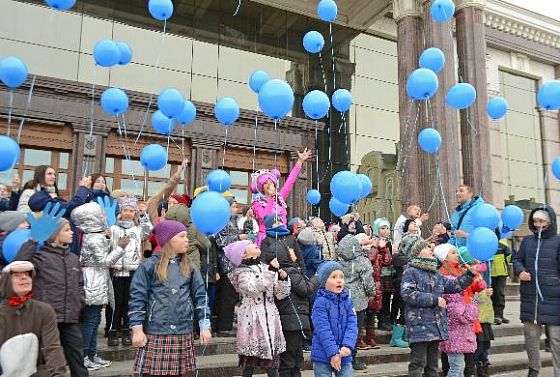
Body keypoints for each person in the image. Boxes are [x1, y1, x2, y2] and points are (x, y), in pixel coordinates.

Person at [129, 220, 212, 377]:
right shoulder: (148, 266)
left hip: (183, 330)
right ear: (168, 240)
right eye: (182, 236)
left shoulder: (190, 266)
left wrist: (204, 325)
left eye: (186, 236)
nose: (187, 239)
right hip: (157, 330)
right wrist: (137, 329)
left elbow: (201, 297)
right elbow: (137, 298)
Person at [16, 218, 88, 377]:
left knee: (78, 362)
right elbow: (19, 264)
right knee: (44, 362)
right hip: (46, 320)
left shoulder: (73, 258)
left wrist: (79, 303)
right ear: (55, 234)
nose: (71, 233)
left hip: (70, 319)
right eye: (66, 230)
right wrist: (34, 240)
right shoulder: (39, 257)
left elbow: (80, 285)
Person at [401, 239, 479, 377]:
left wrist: (470, 274)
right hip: (419, 326)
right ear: (416, 253)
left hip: (435, 327)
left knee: (432, 366)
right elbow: (408, 294)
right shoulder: (411, 271)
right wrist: (435, 300)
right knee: (418, 364)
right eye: (426, 247)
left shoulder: (436, 273)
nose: (431, 249)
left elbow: (455, 285)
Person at [71, 202, 130, 370]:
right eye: (101, 214)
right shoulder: (94, 237)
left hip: (97, 279)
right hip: (93, 280)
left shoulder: (95, 234)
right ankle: (84, 356)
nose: (104, 216)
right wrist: (120, 248)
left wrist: (107, 238)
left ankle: (91, 354)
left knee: (95, 319)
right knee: (91, 321)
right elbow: (104, 262)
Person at [225, 240, 291, 377]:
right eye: (249, 244)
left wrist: (283, 280)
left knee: (272, 364)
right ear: (243, 254)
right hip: (252, 319)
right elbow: (253, 289)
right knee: (249, 363)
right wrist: (271, 271)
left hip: (271, 318)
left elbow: (279, 294)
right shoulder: (242, 272)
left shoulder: (266, 267)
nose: (254, 243)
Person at [513, 206, 560, 377]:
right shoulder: (527, 241)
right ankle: (534, 369)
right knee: (531, 337)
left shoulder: (558, 241)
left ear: (550, 222)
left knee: (556, 340)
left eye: (542, 221)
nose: (538, 224)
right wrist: (520, 271)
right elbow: (517, 259)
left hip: (554, 298)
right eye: (535, 221)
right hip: (531, 299)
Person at [0, 260, 67, 376]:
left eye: (27, 275)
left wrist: (58, 374)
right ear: (6, 282)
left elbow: (52, 348)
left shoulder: (44, 311)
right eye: (17, 275)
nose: (24, 278)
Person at [108, 197, 153, 347]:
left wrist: (143, 214)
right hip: (116, 271)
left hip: (133, 271)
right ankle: (113, 331)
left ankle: (127, 330)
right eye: (125, 210)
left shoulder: (137, 229)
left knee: (129, 302)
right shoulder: (113, 229)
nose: (128, 213)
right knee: (115, 304)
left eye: (131, 210)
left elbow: (148, 230)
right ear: (120, 212)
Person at [271, 241, 318, 377]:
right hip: (292, 319)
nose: (293, 251)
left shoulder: (290, 270)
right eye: (289, 250)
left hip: (293, 318)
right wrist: (315, 279)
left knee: (295, 358)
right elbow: (305, 289)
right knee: (290, 359)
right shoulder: (290, 271)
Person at [251, 148, 312, 246]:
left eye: (271, 182)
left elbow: (290, 181)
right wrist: (271, 199)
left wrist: (300, 161)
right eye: (266, 183)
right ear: (262, 187)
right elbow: (264, 218)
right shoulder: (257, 203)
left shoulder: (280, 198)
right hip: (266, 240)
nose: (269, 184)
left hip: (282, 238)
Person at [25, 173, 92, 255]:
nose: (54, 177)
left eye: (54, 174)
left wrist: (86, 192)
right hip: (58, 247)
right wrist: (83, 188)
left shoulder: (51, 202)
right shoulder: (48, 205)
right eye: (49, 174)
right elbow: (73, 205)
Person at [311, 261, 358, 377]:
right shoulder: (320, 303)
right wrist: (333, 353)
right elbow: (323, 329)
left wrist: (347, 346)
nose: (339, 280)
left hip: (344, 353)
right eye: (333, 277)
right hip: (323, 353)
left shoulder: (348, 302)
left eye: (341, 277)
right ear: (324, 281)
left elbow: (352, 326)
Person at [337, 233, 375, 370]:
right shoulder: (363, 262)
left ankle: (339, 357)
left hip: (341, 299)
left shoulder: (337, 262)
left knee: (341, 329)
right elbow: (368, 282)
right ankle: (351, 359)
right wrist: (371, 294)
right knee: (354, 331)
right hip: (358, 302)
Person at [213, 196, 245, 337]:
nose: (236, 209)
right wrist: (239, 238)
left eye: (236, 206)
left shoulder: (236, 222)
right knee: (226, 296)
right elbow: (221, 241)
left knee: (233, 296)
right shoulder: (220, 222)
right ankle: (223, 327)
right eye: (233, 206)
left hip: (236, 263)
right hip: (225, 263)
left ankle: (230, 325)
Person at [365, 233, 391, 349]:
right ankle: (360, 338)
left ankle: (370, 337)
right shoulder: (364, 251)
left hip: (376, 283)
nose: (371, 240)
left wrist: (384, 248)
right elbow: (370, 259)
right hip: (364, 284)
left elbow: (388, 261)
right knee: (362, 313)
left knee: (372, 311)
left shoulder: (378, 252)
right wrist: (375, 247)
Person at [372, 218, 395, 332]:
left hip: (388, 273)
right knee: (379, 298)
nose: (385, 230)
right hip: (379, 274)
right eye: (382, 228)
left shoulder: (389, 242)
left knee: (386, 298)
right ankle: (382, 320)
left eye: (387, 228)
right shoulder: (374, 242)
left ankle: (386, 319)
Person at [491, 233, 512, 325]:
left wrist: (504, 267)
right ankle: (494, 315)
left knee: (499, 294)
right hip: (490, 274)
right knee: (491, 295)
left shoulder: (503, 247)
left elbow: (509, 257)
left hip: (501, 274)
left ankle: (499, 315)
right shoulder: (487, 246)